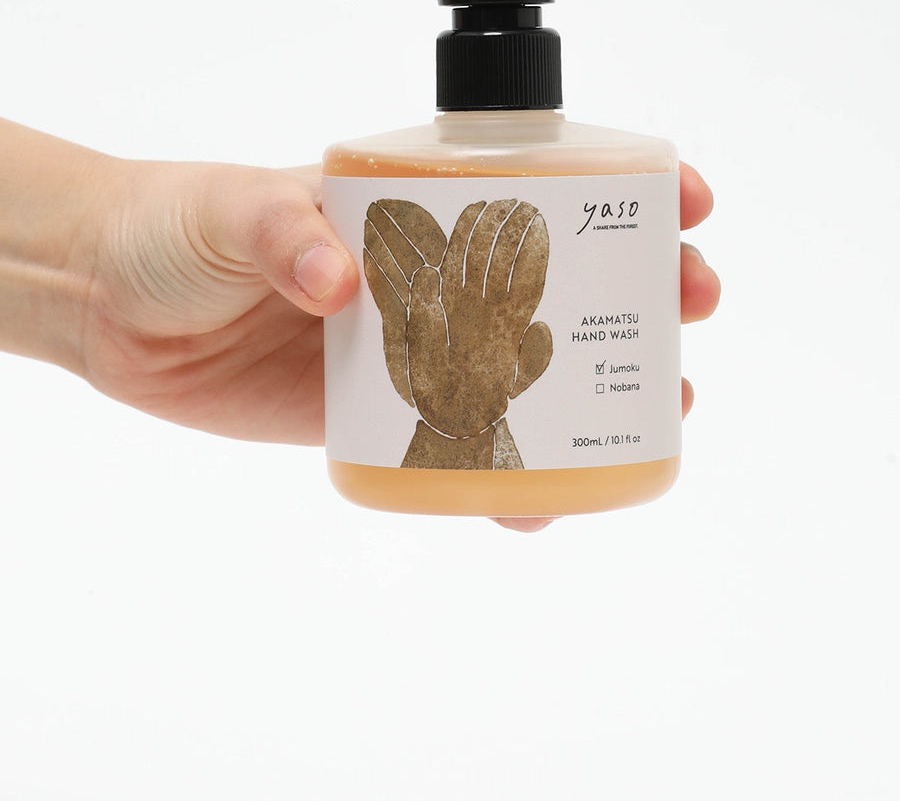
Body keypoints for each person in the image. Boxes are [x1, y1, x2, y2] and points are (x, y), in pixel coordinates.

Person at [0, 117, 721, 532]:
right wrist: (95, 272)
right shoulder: (364, 168)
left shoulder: (638, 161)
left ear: (530, 361)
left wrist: (94, 279)